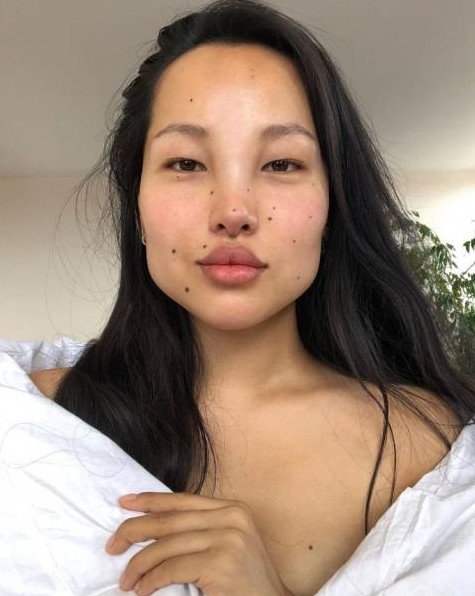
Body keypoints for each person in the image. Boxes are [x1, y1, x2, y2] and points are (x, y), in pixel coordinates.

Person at [1, 0, 474, 594]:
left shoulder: (426, 445)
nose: (233, 211)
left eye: (281, 163)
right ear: (137, 205)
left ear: (332, 205)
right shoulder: (29, 423)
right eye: (186, 163)